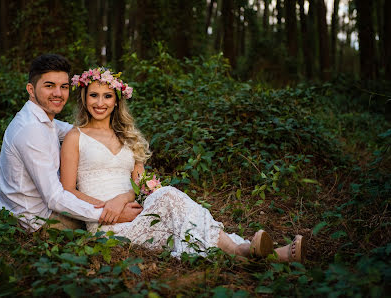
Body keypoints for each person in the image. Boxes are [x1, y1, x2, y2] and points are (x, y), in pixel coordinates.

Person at [60, 67, 306, 261]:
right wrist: (107, 209)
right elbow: (67, 190)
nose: (100, 102)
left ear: (116, 101)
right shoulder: (75, 136)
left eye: (107, 96)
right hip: (106, 225)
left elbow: (140, 185)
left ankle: (261, 255)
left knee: (181, 219)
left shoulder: (127, 136)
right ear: (84, 97)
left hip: (134, 212)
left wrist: (122, 200)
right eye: (94, 95)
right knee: (172, 202)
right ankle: (245, 249)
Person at [0, 54, 141, 232]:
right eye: (49, 86)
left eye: (63, 87)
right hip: (40, 220)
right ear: (31, 90)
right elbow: (55, 197)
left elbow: (81, 132)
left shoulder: (45, 121)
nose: (58, 93)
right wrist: (111, 212)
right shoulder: (30, 130)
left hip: (53, 207)